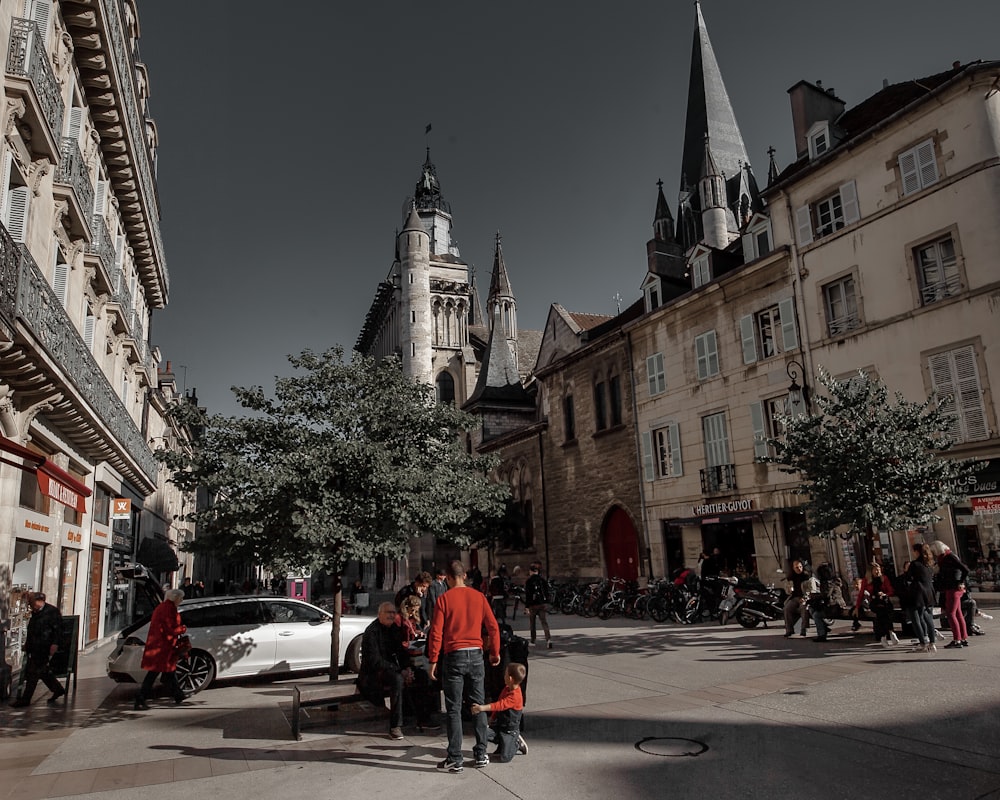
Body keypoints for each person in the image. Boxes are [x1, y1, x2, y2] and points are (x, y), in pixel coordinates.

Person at [427, 560, 501, 773]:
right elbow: (493, 627)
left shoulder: (444, 599)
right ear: (465, 576)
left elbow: (436, 633)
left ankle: (455, 757)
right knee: (478, 704)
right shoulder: (478, 597)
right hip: (476, 654)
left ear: (449, 578)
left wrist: (433, 660)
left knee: (454, 708)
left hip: (454, 655)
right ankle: (480, 753)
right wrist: (495, 652)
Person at [358, 602, 411, 739]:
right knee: (397, 680)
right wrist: (400, 670)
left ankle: (420, 717)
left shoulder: (394, 629)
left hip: (390, 669)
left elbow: (400, 651)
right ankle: (395, 726)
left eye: (394, 612)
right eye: (388, 612)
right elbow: (375, 661)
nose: (392, 615)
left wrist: (407, 668)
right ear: (379, 614)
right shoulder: (372, 631)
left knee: (421, 675)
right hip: (373, 674)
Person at [134, 588, 187, 709]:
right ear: (175, 598)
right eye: (181, 598)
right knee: (155, 673)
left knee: (167, 672)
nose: (182, 600)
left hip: (160, 645)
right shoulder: (169, 609)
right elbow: (170, 629)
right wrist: (182, 629)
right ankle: (140, 698)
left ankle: (178, 694)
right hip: (163, 647)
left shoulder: (162, 607)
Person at [10, 592, 65, 707]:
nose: (30, 606)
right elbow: (32, 629)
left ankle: (25, 699)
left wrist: (55, 644)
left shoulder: (52, 612)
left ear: (40, 601)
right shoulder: (36, 612)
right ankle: (58, 689)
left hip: (44, 647)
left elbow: (58, 630)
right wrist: (27, 644)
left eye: (31, 603)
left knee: (33, 673)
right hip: (35, 647)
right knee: (42, 671)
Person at [470, 662, 528, 762]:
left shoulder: (515, 696)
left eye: (505, 674)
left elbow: (499, 705)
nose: (503, 676)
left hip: (510, 730)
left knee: (505, 758)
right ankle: (501, 744)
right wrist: (491, 719)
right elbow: (498, 706)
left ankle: (516, 743)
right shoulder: (506, 689)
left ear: (510, 679)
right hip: (499, 726)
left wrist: (481, 708)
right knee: (483, 732)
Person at [930, 540, 971, 648]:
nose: (934, 554)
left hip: (953, 588)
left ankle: (957, 639)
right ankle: (963, 637)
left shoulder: (949, 557)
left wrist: (960, 581)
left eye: (934, 551)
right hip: (953, 587)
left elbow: (965, 569)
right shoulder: (946, 557)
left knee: (951, 614)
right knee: (958, 614)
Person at [856, 562, 898, 647]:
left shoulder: (884, 578)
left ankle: (889, 633)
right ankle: (886, 634)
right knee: (881, 613)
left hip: (884, 600)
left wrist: (885, 594)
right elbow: (861, 594)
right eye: (876, 570)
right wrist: (857, 607)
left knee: (886, 612)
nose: (878, 572)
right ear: (871, 571)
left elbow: (891, 590)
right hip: (874, 601)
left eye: (879, 570)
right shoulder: (866, 581)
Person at [907, 543, 938, 653]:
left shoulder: (915, 564)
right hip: (929, 593)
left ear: (917, 551)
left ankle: (922, 643)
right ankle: (932, 642)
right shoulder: (929, 564)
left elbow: (908, 577)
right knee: (928, 617)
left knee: (916, 619)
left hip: (917, 593)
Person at [808, 563, 849, 642]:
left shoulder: (828, 582)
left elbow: (826, 595)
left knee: (817, 615)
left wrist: (814, 596)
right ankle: (824, 628)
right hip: (833, 605)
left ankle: (822, 635)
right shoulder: (832, 580)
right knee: (812, 608)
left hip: (835, 606)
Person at [524, 562, 552, 649]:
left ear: (531, 571)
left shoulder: (529, 581)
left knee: (532, 623)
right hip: (541, 604)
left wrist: (527, 606)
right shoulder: (542, 580)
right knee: (544, 622)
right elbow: (547, 592)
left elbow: (528, 594)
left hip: (533, 605)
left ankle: (533, 640)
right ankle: (548, 639)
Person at [783, 560, 812, 638]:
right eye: (797, 567)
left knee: (803, 608)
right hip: (794, 597)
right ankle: (789, 630)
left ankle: (803, 629)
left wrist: (805, 598)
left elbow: (810, 589)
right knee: (787, 609)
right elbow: (787, 589)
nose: (799, 569)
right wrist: (789, 589)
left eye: (800, 567)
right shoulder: (791, 577)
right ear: (793, 568)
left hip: (804, 597)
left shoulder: (806, 577)